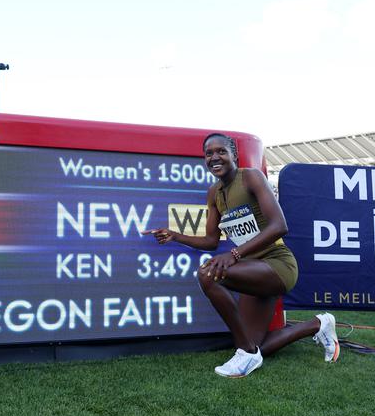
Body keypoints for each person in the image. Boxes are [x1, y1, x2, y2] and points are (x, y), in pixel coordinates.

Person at [144, 133, 339, 378]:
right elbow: (211, 242)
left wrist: (235, 254)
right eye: (209, 153)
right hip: (252, 269)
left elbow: (279, 225)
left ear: (234, 155)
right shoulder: (214, 193)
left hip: (277, 264)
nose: (215, 157)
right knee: (257, 346)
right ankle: (319, 324)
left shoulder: (251, 177)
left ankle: (246, 355)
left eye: (221, 151)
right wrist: (175, 235)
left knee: (207, 274)